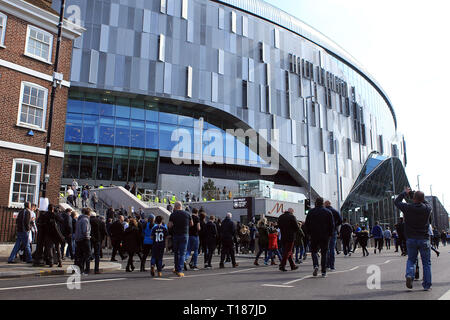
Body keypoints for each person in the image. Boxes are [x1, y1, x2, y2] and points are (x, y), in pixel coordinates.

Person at [394, 187, 432, 291]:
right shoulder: (427, 208)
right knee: (426, 263)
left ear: (413, 199)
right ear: (423, 199)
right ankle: (427, 285)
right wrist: (413, 194)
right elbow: (425, 201)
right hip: (424, 239)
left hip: (411, 239)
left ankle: (410, 274)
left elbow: (396, 201)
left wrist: (405, 193)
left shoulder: (407, 207)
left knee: (411, 259)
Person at [304, 197, 334, 277]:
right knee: (324, 253)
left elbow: (306, 224)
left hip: (314, 235)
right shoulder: (328, 212)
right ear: (322, 203)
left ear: (316, 203)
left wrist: (309, 234)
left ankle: (316, 265)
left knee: (314, 251)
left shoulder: (311, 212)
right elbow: (332, 225)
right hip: (325, 235)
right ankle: (323, 272)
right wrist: (330, 234)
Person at [168, 201, 193, 277]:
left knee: (176, 253)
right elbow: (191, 224)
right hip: (184, 234)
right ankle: (180, 270)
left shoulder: (172, 214)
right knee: (182, 253)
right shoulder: (187, 214)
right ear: (181, 206)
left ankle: (176, 268)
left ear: (175, 207)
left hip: (176, 235)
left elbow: (169, 225)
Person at [324, 201, 342, 271]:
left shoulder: (325, 211)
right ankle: (332, 266)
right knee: (332, 248)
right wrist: (335, 225)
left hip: (325, 231)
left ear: (326, 204)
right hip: (333, 231)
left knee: (326, 248)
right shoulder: (335, 211)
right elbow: (340, 221)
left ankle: (327, 264)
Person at [74, 208, 92, 274]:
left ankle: (80, 269)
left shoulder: (79, 219)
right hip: (84, 239)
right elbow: (85, 231)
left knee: (80, 255)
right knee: (88, 255)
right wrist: (88, 236)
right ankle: (87, 269)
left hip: (78, 239)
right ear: (89, 213)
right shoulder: (86, 220)